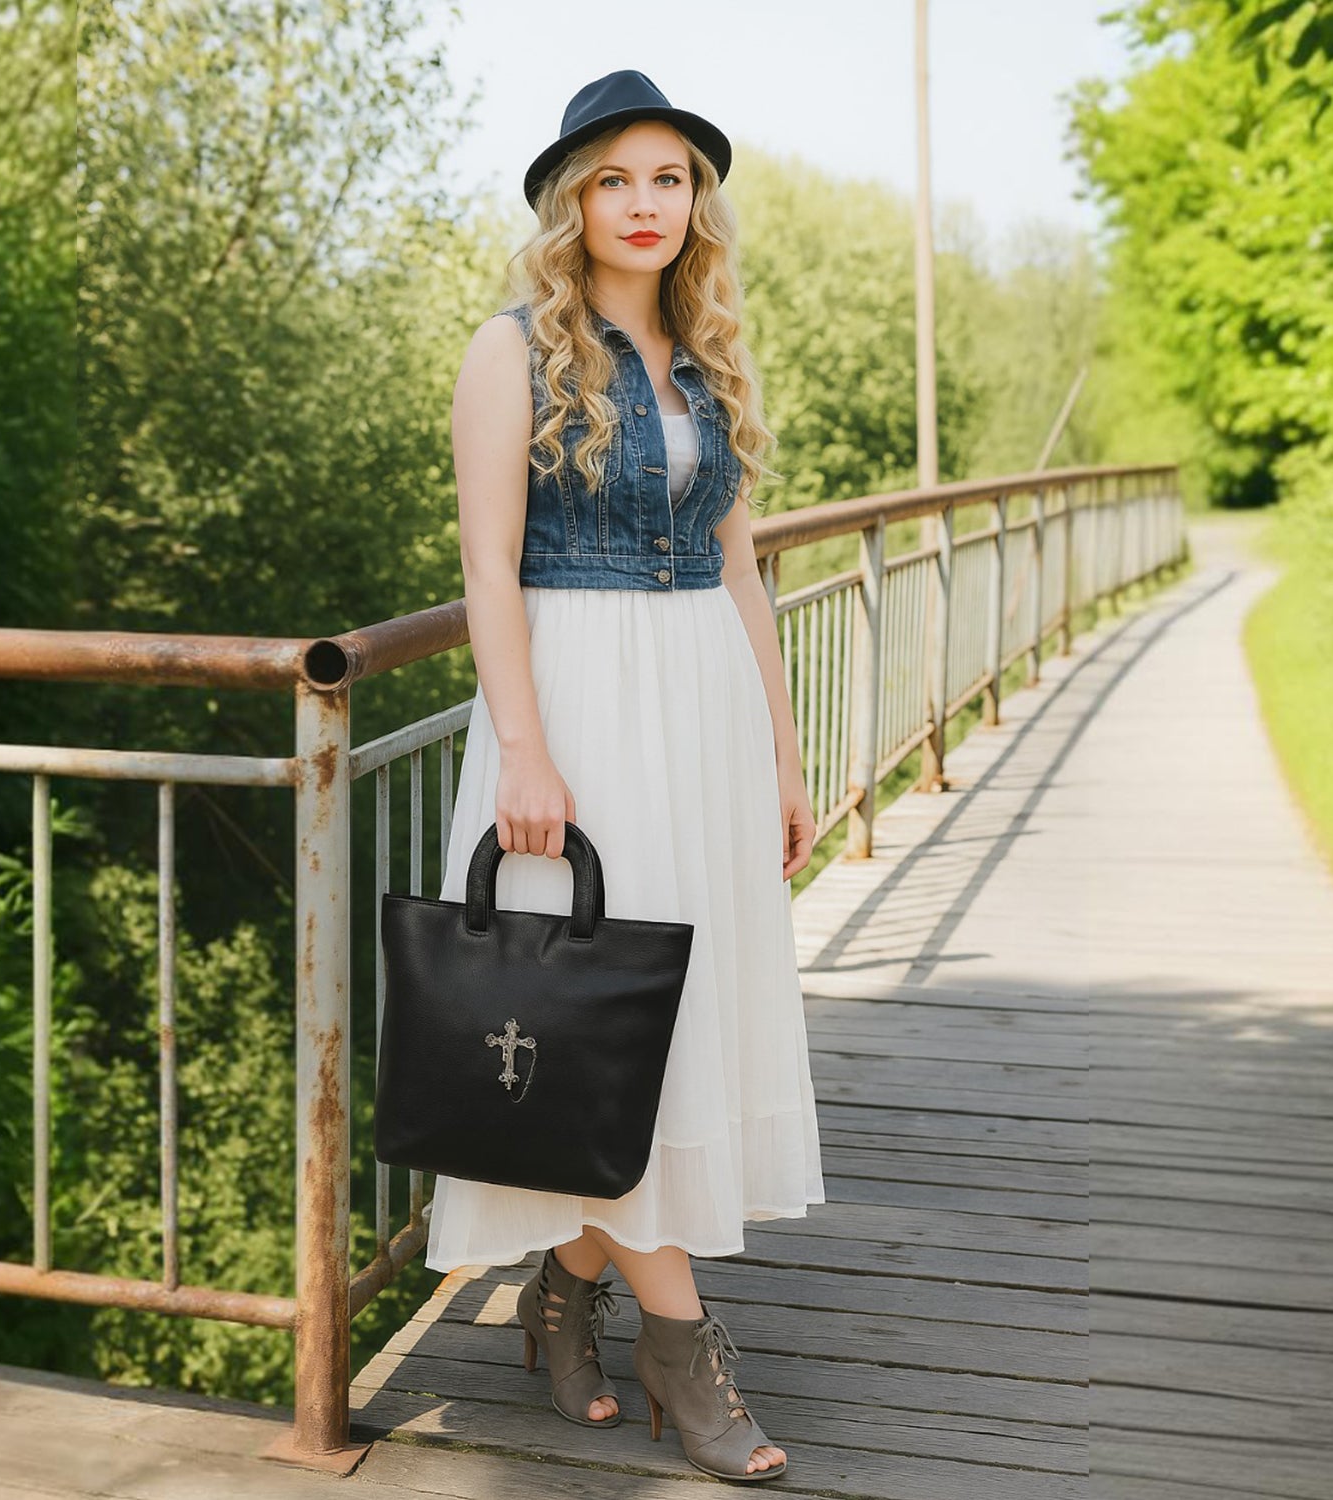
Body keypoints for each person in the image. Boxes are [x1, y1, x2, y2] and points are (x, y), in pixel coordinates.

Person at [423, 69, 825, 1483]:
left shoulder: (705, 356)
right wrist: (525, 749)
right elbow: (488, 568)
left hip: (700, 711)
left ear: (694, 203)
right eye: (616, 180)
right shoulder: (511, 351)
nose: (646, 204)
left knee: (670, 1018)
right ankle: (682, 1350)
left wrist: (782, 752)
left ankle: (563, 1294)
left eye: (670, 180)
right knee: (601, 1023)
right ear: (573, 203)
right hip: (579, 710)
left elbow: (738, 569)